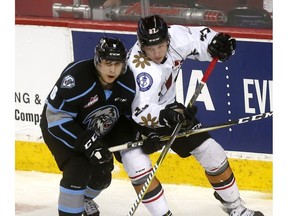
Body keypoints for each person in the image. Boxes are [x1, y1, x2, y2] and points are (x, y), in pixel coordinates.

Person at [121, 14, 264, 216]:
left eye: (160, 46)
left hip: (170, 110)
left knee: (212, 152)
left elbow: (201, 38)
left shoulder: (176, 36)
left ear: (167, 39)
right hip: (133, 120)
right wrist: (169, 115)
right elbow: (140, 111)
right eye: (149, 49)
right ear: (141, 45)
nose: (156, 53)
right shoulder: (140, 69)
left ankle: (235, 208)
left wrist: (219, 43)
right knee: (139, 167)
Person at [40, 37, 137, 216]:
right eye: (107, 63)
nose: (112, 69)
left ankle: (83, 200)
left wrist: (140, 136)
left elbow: (126, 118)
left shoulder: (128, 82)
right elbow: (55, 117)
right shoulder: (77, 77)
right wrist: (85, 141)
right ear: (97, 61)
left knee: (103, 173)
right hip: (60, 127)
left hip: (94, 129)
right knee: (78, 169)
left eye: (117, 64)